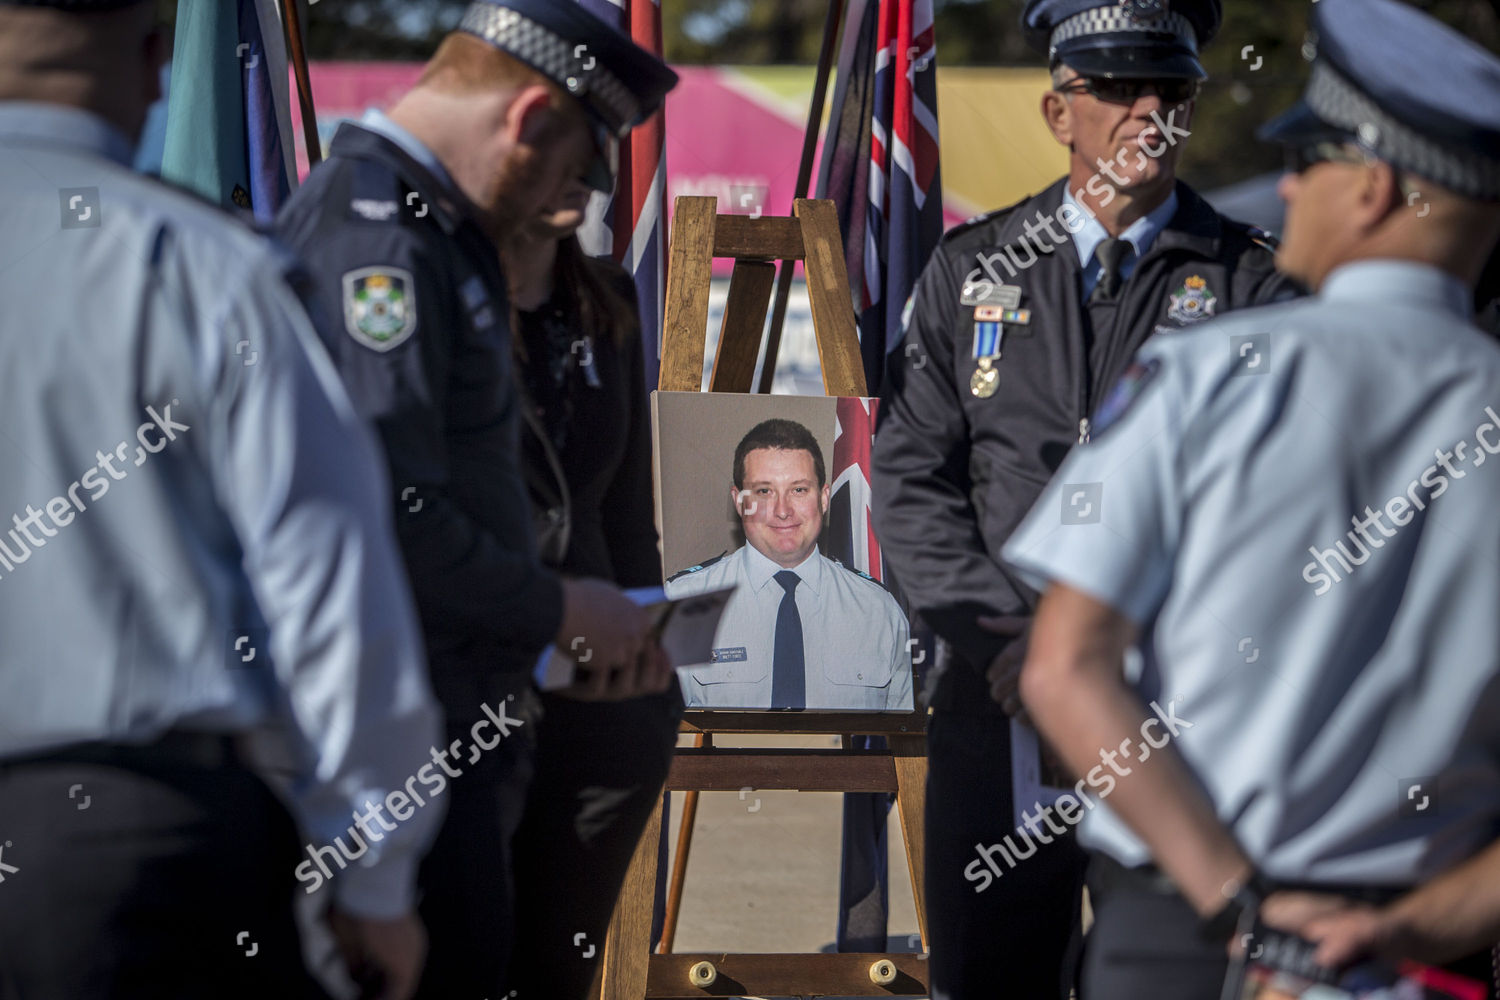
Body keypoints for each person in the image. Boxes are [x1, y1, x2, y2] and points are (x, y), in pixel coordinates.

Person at [1002, 0, 1500, 996]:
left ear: (1376, 186)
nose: (1285, 185)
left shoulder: (1210, 374)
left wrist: (1247, 911)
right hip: (1414, 949)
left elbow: (1064, 671)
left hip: (1182, 929)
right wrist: (1393, 928)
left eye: (1307, 158)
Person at [0, 1, 443, 998]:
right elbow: (331, 593)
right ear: (157, 57)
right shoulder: (209, 267)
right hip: (123, 849)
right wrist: (371, 877)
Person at [869, 0, 1301, 995]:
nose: (1145, 114)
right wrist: (1014, 646)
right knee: (993, 973)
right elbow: (912, 479)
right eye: (1114, 90)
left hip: (1181, 716)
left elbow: (1281, 506)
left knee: (1170, 977)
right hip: (996, 698)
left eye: (1171, 92)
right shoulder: (973, 270)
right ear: (1058, 111)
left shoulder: (1255, 285)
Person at [273, 2, 678, 995]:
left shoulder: (425, 226)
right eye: (574, 161)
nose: (577, 197)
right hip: (411, 735)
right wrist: (555, 608)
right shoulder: (382, 236)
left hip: (468, 716)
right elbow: (388, 507)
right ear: (529, 118)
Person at [500, 182, 682, 1000]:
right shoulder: (422, 284)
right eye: (571, 133)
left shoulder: (608, 297)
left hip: (599, 710)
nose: (588, 165)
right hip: (458, 705)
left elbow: (625, 514)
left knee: (555, 973)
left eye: (602, 140)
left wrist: (648, 686)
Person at [667, 418, 912, 711]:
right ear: (739, 501)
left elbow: (905, 748)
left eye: (798, 490)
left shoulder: (879, 611)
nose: (783, 511)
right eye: (764, 492)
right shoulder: (680, 606)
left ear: (823, 498)